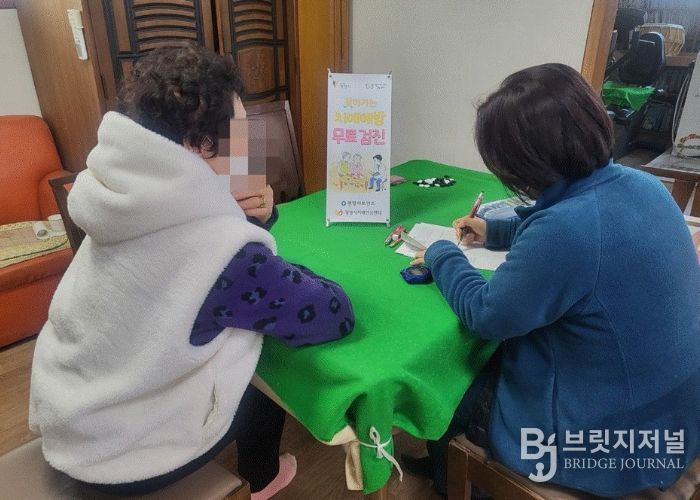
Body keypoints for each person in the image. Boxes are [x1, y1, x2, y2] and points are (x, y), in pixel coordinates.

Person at [29, 43, 355, 499]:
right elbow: (332, 313)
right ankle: (261, 480)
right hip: (124, 458)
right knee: (260, 375)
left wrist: (246, 219)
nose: (250, 147)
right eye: (240, 132)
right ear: (198, 146)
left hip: (72, 419)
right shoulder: (225, 254)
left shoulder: (120, 203)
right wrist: (252, 239)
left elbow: (190, 275)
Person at [407, 63, 700, 497]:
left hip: (606, 445)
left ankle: (454, 481)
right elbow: (579, 229)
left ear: (522, 163)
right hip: (671, 419)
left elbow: (487, 315)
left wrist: (440, 253)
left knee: (449, 382)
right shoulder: (644, 185)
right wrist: (496, 231)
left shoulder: (565, 231)